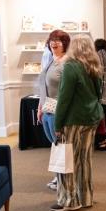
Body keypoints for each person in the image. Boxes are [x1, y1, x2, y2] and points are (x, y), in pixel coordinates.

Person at [52, 35, 104, 211]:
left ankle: (69, 201)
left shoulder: (70, 67)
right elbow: (98, 95)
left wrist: (57, 125)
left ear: (73, 47)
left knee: (68, 160)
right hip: (91, 118)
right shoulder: (94, 66)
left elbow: (64, 99)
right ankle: (86, 197)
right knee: (85, 159)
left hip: (73, 120)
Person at [37, 30, 70, 190]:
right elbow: (43, 86)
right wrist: (39, 107)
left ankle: (64, 179)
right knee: (55, 145)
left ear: (65, 44)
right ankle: (58, 177)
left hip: (59, 111)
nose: (54, 43)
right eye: (52, 40)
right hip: (47, 109)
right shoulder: (51, 59)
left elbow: (68, 92)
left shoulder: (67, 63)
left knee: (62, 145)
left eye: (58, 40)